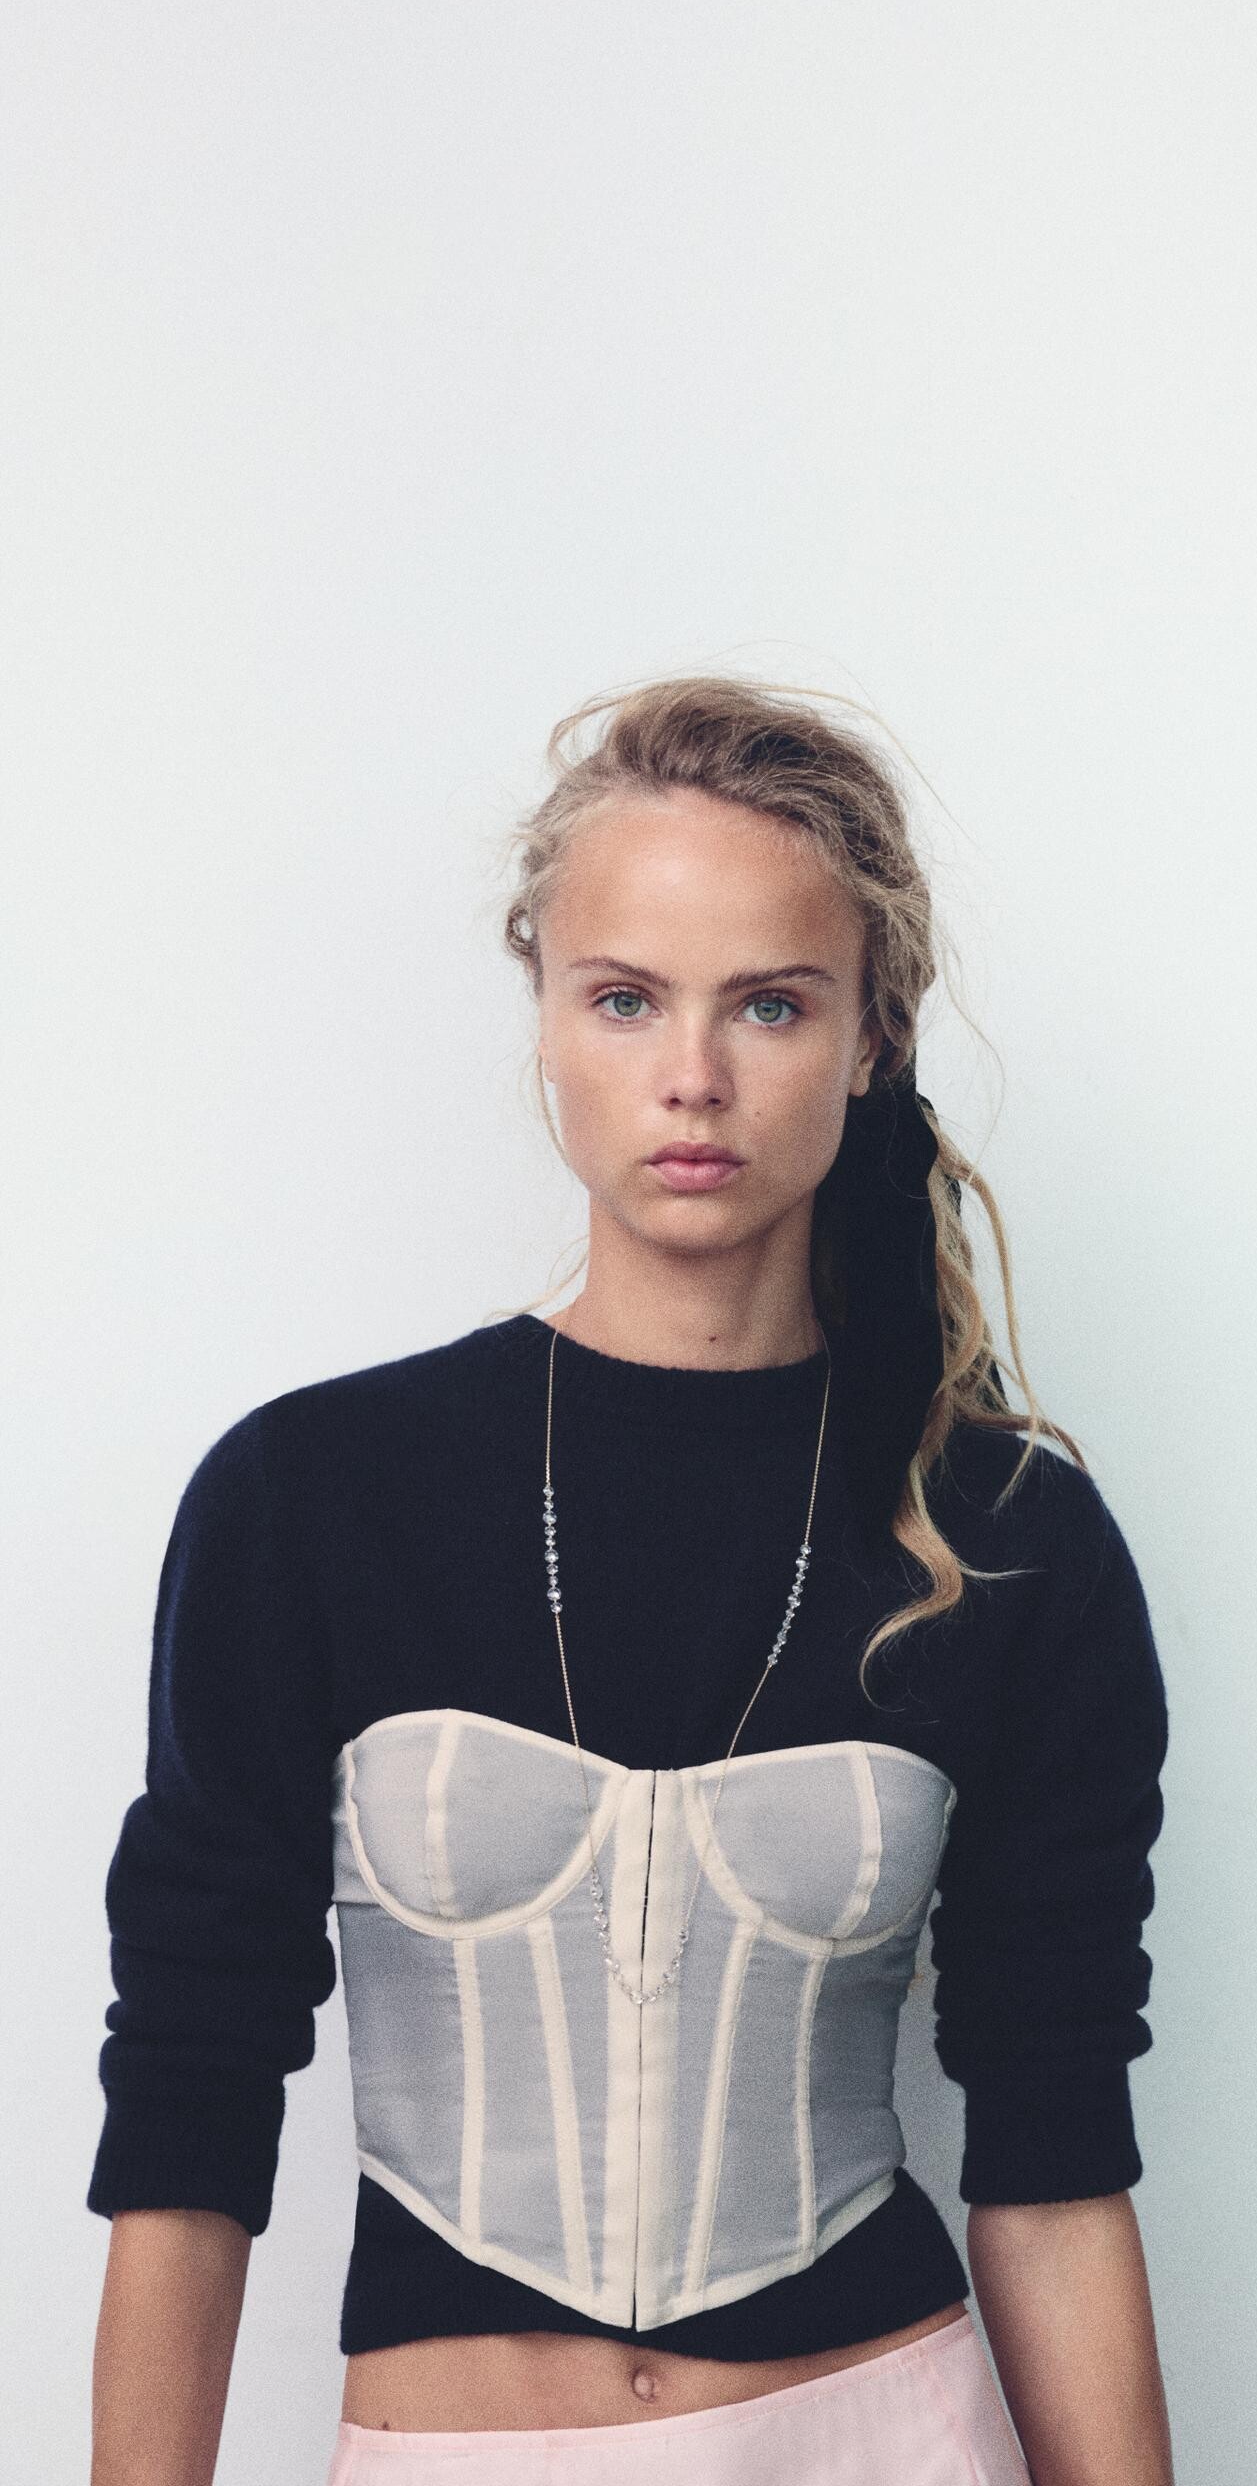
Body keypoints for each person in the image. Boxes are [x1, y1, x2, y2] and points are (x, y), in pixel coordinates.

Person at [87, 674, 1175, 2486]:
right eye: (625, 998)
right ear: (545, 1016)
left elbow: (1054, 2150)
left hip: (887, 2438)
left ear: (872, 1036)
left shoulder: (1007, 1535)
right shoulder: (312, 1498)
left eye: (771, 1002)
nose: (694, 1076)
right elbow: (188, 2101)